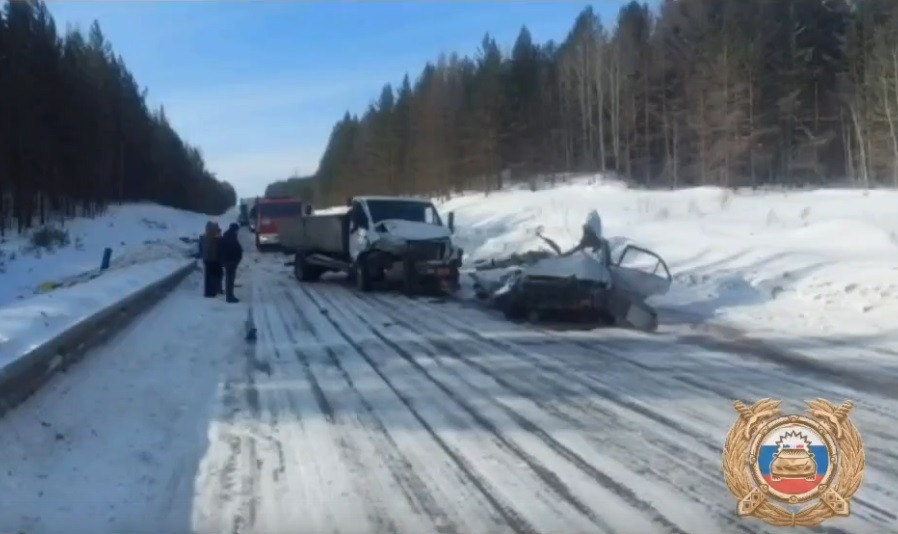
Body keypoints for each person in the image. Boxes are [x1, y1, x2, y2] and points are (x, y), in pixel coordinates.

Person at [219, 222, 243, 303]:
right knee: (230, 279)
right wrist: (236, 259)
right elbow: (234, 249)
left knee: (229, 279)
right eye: (237, 230)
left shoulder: (226, 235)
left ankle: (230, 296)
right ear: (235, 229)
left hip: (228, 260)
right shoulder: (231, 237)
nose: (237, 231)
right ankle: (230, 297)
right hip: (231, 261)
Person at [201, 221, 221, 298]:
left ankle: (209, 291)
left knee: (209, 276)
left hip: (208, 258)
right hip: (211, 259)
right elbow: (214, 247)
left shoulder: (206, 236)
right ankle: (210, 293)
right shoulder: (211, 237)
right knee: (211, 276)